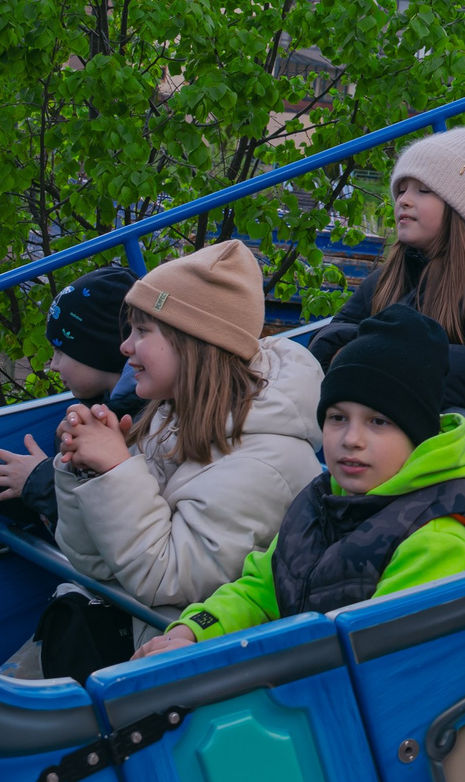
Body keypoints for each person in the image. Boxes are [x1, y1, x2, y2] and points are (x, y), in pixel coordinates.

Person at [132, 305, 465, 657]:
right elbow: (261, 589)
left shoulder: (436, 538)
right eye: (337, 418)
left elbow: (379, 658)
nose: (351, 439)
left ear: (417, 434)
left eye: (379, 422)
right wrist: (194, 631)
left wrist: (229, 669)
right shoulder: (322, 498)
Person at [35, 240, 324, 679]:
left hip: (201, 680)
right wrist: (85, 471)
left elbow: (163, 579)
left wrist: (116, 471)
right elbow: (95, 562)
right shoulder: (170, 418)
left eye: (142, 331)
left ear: (193, 342)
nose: (125, 347)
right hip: (149, 654)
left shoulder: (265, 463)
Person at [308, 127, 465, 420]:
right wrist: (373, 352)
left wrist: (374, 355)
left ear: (460, 208)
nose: (404, 200)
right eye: (401, 189)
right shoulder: (389, 277)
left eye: (423, 190)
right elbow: (331, 333)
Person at [0, 264, 145, 535]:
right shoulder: (89, 412)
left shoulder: (147, 423)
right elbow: (68, 524)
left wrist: (39, 480)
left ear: (99, 351)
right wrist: (3, 486)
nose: (53, 366)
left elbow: (108, 530)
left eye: (61, 351)